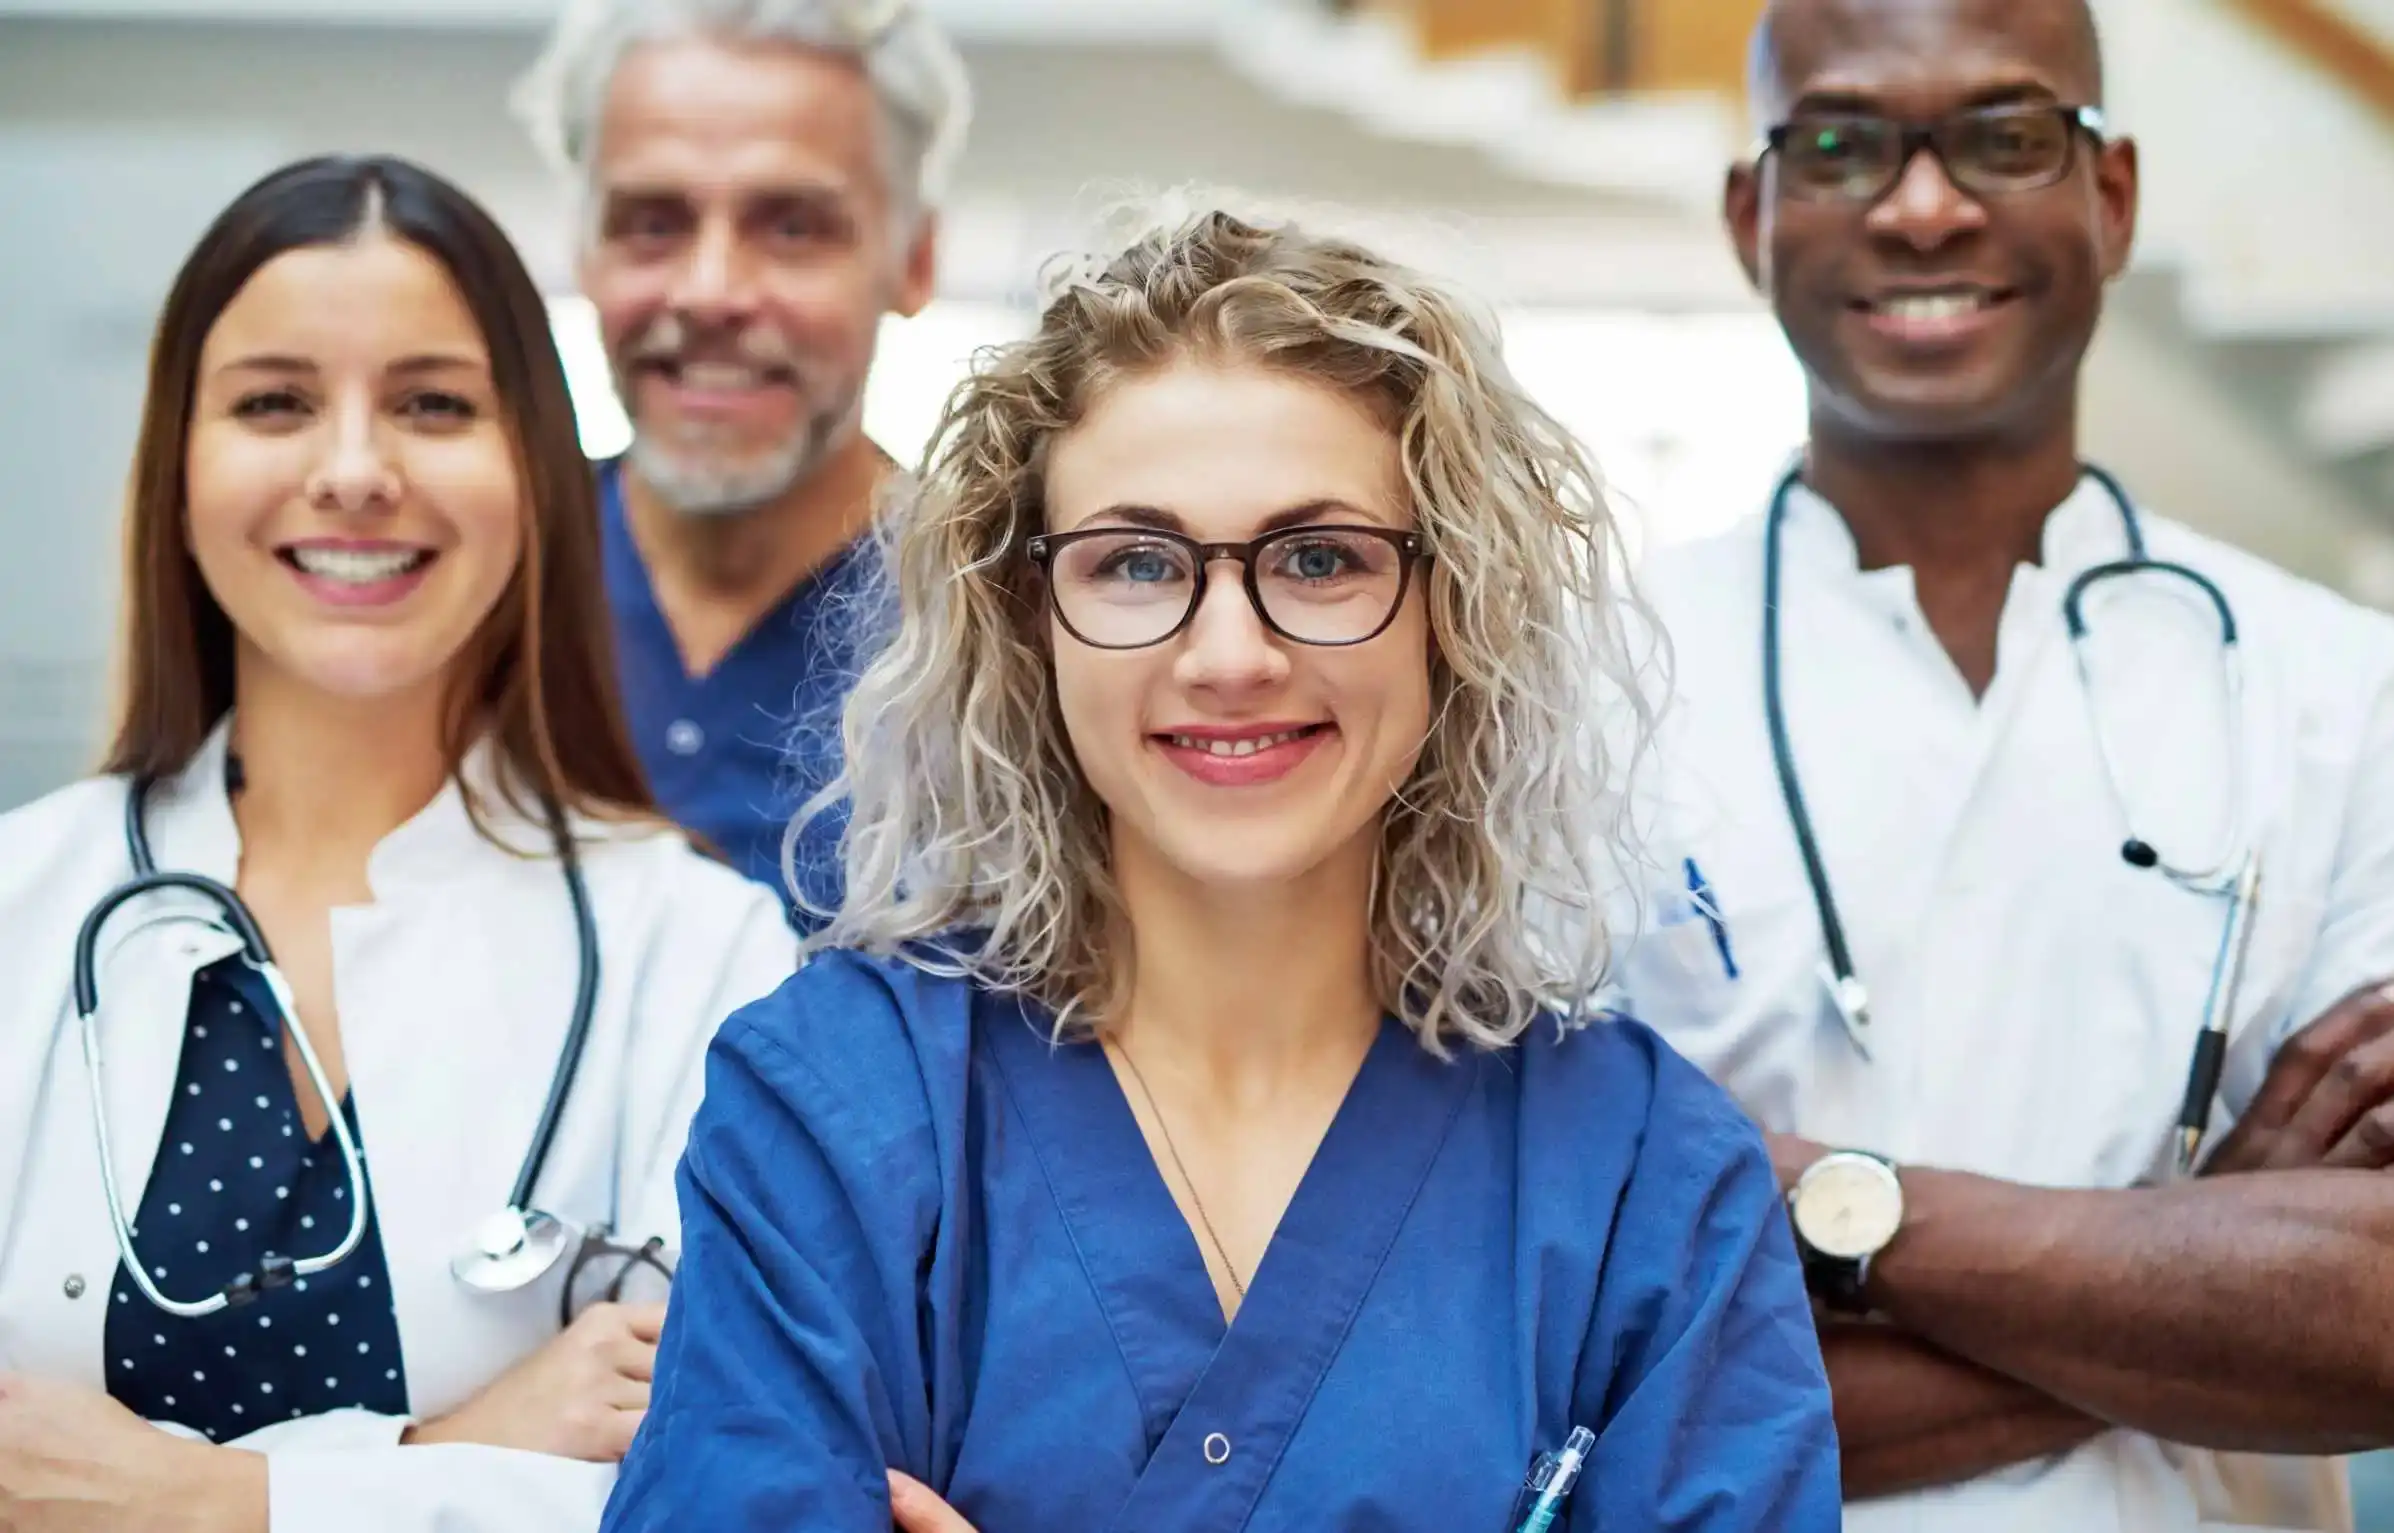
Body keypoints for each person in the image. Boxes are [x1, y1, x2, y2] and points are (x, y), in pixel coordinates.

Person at [593, 204, 1842, 1533]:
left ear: (1450, 606)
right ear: (1031, 622)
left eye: (1319, 558)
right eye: (1136, 563)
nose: (1230, 652)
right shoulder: (839, 1111)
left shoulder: (1641, 1177)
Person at [1606, 0, 2394, 1528]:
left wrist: (1816, 1207)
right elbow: (1570, 1363)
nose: (1921, 205)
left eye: (2004, 135)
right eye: (1838, 142)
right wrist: (2204, 1254)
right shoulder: (1566, 689)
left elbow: (2372, 1321)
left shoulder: (2339, 691)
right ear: (1749, 212)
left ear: (2109, 198)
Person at [0, 154, 794, 1531]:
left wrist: (219, 1502)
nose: (355, 469)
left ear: (534, 470)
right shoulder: (19, 903)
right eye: (274, 403)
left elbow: (717, 1491)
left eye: (432, 404)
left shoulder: (705, 957)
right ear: (178, 468)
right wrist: (439, 1453)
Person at [508, 0, 972, 917]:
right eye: (652, 222)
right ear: (584, 250)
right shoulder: (480, 596)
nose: (711, 292)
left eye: (792, 227)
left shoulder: (1007, 633)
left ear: (912, 262)